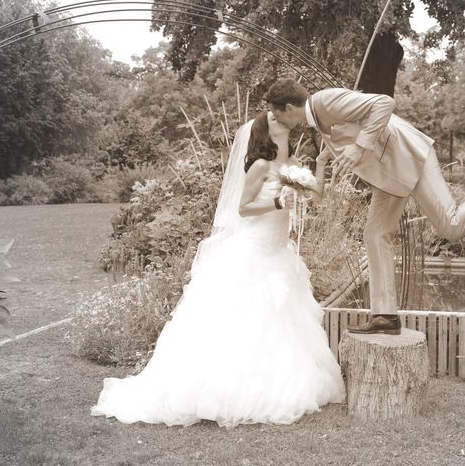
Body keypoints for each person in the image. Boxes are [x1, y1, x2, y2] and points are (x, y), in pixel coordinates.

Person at [91, 111, 345, 428]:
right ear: (267, 134)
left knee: (282, 323)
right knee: (244, 321)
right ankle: (227, 390)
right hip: (253, 252)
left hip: (279, 253)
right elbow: (244, 208)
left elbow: (316, 197)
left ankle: (276, 380)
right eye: (279, 126)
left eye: (286, 127)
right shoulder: (258, 166)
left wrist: (320, 165)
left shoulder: (289, 163)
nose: (286, 130)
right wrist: (279, 203)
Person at [266, 79, 465, 336]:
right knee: (375, 234)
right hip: (393, 174)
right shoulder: (318, 117)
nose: (276, 119)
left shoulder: (324, 101)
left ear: (289, 107)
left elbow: (383, 103)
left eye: (277, 113)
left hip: (410, 157)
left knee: (450, 226)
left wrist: (359, 146)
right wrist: (340, 148)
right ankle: (385, 315)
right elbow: (355, 123)